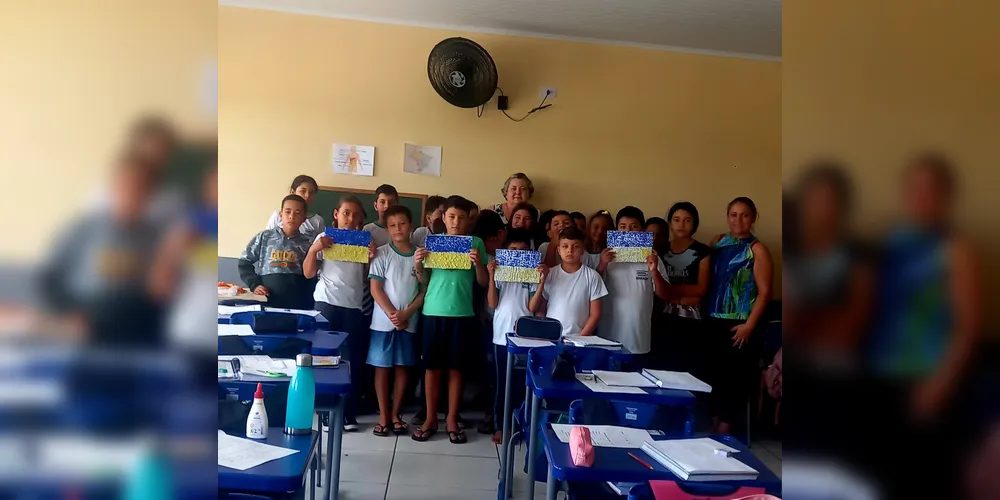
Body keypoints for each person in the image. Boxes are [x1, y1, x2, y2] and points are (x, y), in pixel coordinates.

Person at [866, 154, 981, 497]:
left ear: (946, 196)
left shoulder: (955, 249)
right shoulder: (890, 240)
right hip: (878, 374)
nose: (921, 197)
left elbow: (968, 327)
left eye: (930, 190)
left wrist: (940, 384)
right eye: (914, 188)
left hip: (927, 378)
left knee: (921, 477)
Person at [41, 153, 166, 347]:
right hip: (82, 322)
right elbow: (48, 277)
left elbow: (158, 296)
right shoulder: (83, 227)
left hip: (132, 327)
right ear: (113, 187)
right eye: (125, 185)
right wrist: (69, 314)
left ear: (150, 194)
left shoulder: (156, 238)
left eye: (140, 188)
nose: (131, 193)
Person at [412, 196, 489, 443]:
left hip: (462, 314)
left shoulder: (475, 243)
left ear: (469, 220)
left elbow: (483, 283)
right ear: (443, 218)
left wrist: (478, 265)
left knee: (457, 369)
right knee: (432, 368)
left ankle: (453, 418)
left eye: (462, 217)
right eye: (452, 217)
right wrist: (418, 265)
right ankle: (431, 418)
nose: (456, 222)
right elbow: (424, 280)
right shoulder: (432, 242)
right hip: (433, 312)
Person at [303, 195, 376, 432]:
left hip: (354, 306)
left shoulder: (364, 240)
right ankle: (325, 412)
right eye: (346, 213)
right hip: (326, 303)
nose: (350, 219)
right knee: (325, 359)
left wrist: (371, 257)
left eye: (356, 215)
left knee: (352, 360)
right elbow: (307, 273)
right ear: (336, 214)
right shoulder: (324, 238)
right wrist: (315, 248)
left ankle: (348, 412)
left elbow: (365, 278)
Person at [704, 197, 774, 435]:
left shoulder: (757, 249)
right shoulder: (717, 242)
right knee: (715, 377)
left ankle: (724, 429)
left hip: (741, 323)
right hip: (714, 319)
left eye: (744, 214)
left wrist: (749, 326)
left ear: (753, 218)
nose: (738, 219)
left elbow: (765, 293)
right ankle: (710, 426)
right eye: (733, 214)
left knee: (735, 380)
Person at [367, 205, 424, 437]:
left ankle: (395, 414)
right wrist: (393, 314)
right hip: (382, 323)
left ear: (411, 226)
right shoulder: (381, 253)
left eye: (402, 224)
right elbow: (376, 289)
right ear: (387, 229)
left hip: (409, 322)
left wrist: (406, 314)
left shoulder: (421, 254)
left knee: (402, 368)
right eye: (392, 225)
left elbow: (424, 290)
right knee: (382, 368)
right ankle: (383, 415)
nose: (398, 229)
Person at [595, 206, 669, 360]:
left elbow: (665, 294)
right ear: (616, 230)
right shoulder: (605, 256)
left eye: (633, 227)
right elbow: (590, 291)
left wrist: (654, 271)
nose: (628, 232)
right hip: (606, 337)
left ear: (642, 230)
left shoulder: (652, 257)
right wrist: (602, 265)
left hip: (638, 340)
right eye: (623, 227)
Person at [485, 229, 539, 443]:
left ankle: (521, 426)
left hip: (526, 338)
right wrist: (491, 275)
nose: (518, 254)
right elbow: (492, 303)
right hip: (501, 336)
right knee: (502, 384)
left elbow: (533, 306)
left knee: (522, 384)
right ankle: (501, 426)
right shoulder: (500, 272)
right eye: (513, 250)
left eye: (523, 251)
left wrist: (541, 280)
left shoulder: (532, 274)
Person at [651, 202, 710, 374]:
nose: (681, 224)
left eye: (687, 220)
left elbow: (701, 289)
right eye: (676, 219)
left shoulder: (702, 251)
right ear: (670, 223)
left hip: (691, 319)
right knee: (662, 366)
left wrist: (670, 293)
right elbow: (653, 284)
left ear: (695, 224)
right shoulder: (658, 250)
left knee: (686, 367)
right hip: (661, 316)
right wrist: (679, 297)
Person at [237, 194, 313, 310]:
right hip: (267, 301)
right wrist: (255, 285)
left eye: (297, 213)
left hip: (297, 303)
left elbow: (310, 276)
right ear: (281, 215)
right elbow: (244, 262)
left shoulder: (307, 244)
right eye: (288, 212)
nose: (292, 216)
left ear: (304, 218)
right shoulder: (265, 237)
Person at [531, 226, 608, 336]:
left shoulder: (592, 276)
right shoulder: (549, 274)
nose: (569, 250)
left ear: (582, 250)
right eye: (565, 246)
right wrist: (545, 333)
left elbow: (595, 315)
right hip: (552, 337)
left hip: (579, 339)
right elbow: (540, 310)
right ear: (559, 250)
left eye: (575, 247)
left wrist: (580, 339)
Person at [265, 175, 325, 240]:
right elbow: (267, 239)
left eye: (311, 193)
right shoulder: (278, 216)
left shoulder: (317, 220)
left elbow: (320, 244)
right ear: (293, 192)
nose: (307, 195)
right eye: (303, 191)